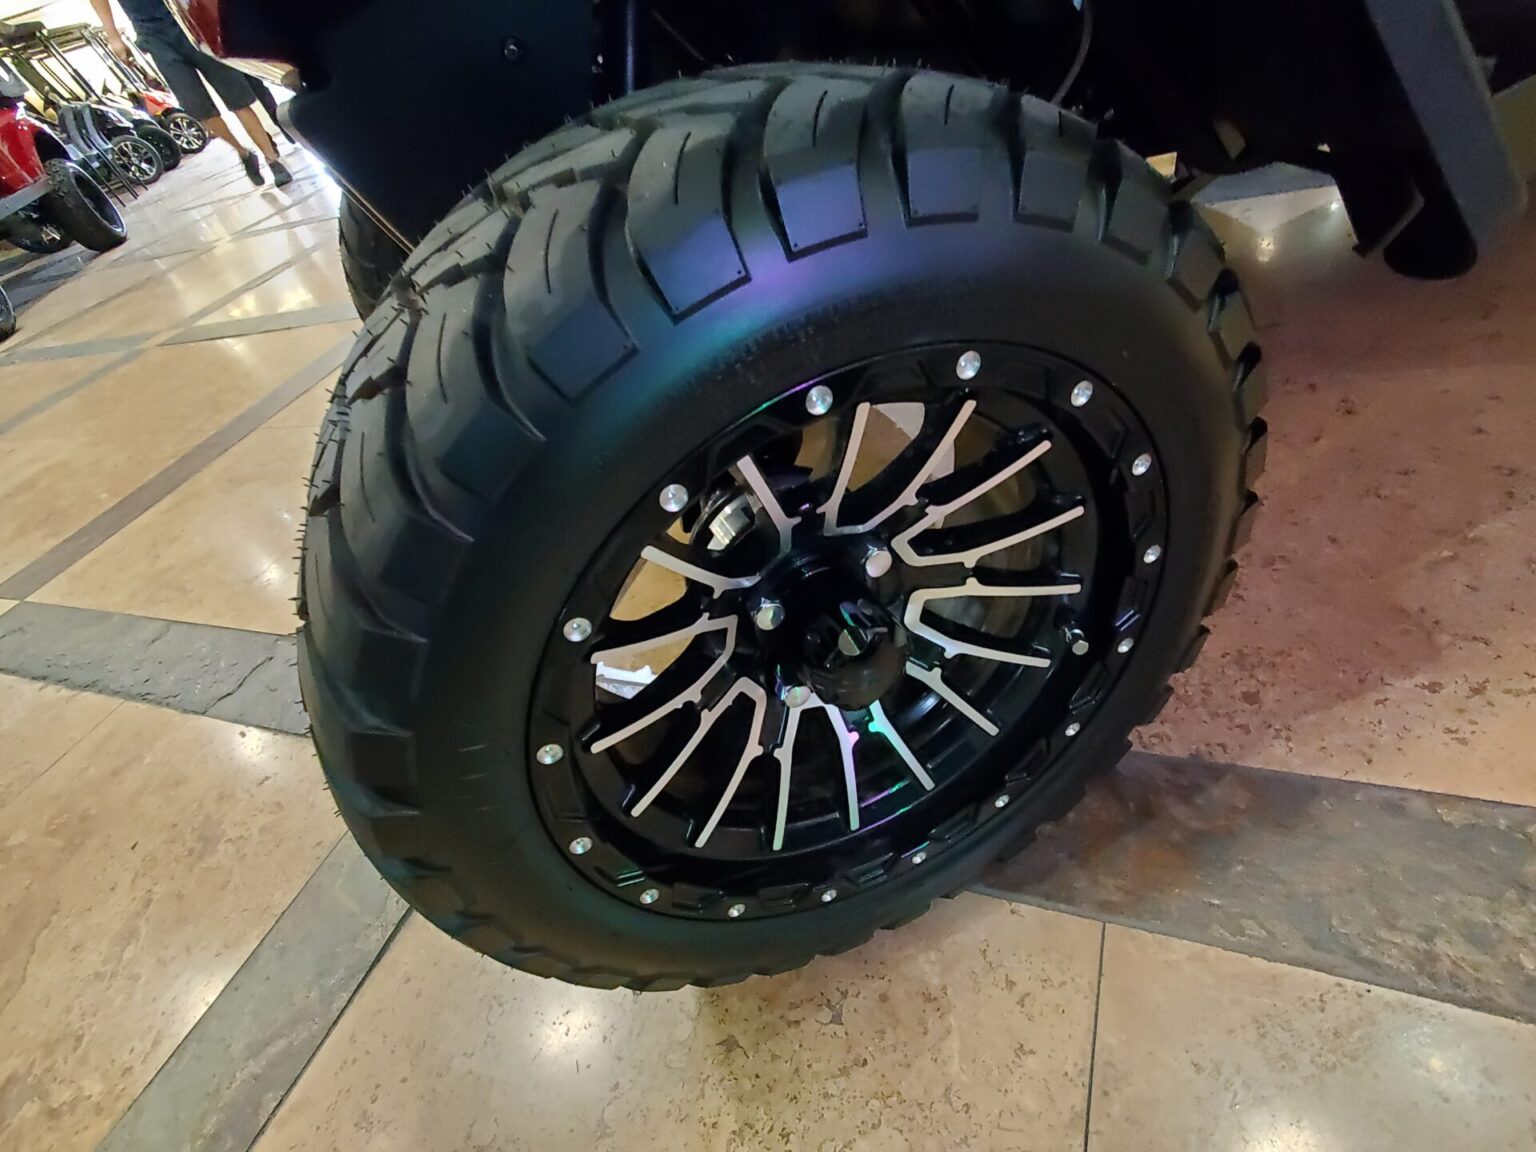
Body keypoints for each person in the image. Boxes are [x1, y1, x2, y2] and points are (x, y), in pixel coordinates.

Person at [88, 0, 291, 187]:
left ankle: (272, 159)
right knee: (198, 109)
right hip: (154, 35)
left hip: (190, 21)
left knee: (237, 99)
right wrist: (113, 37)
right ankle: (243, 152)